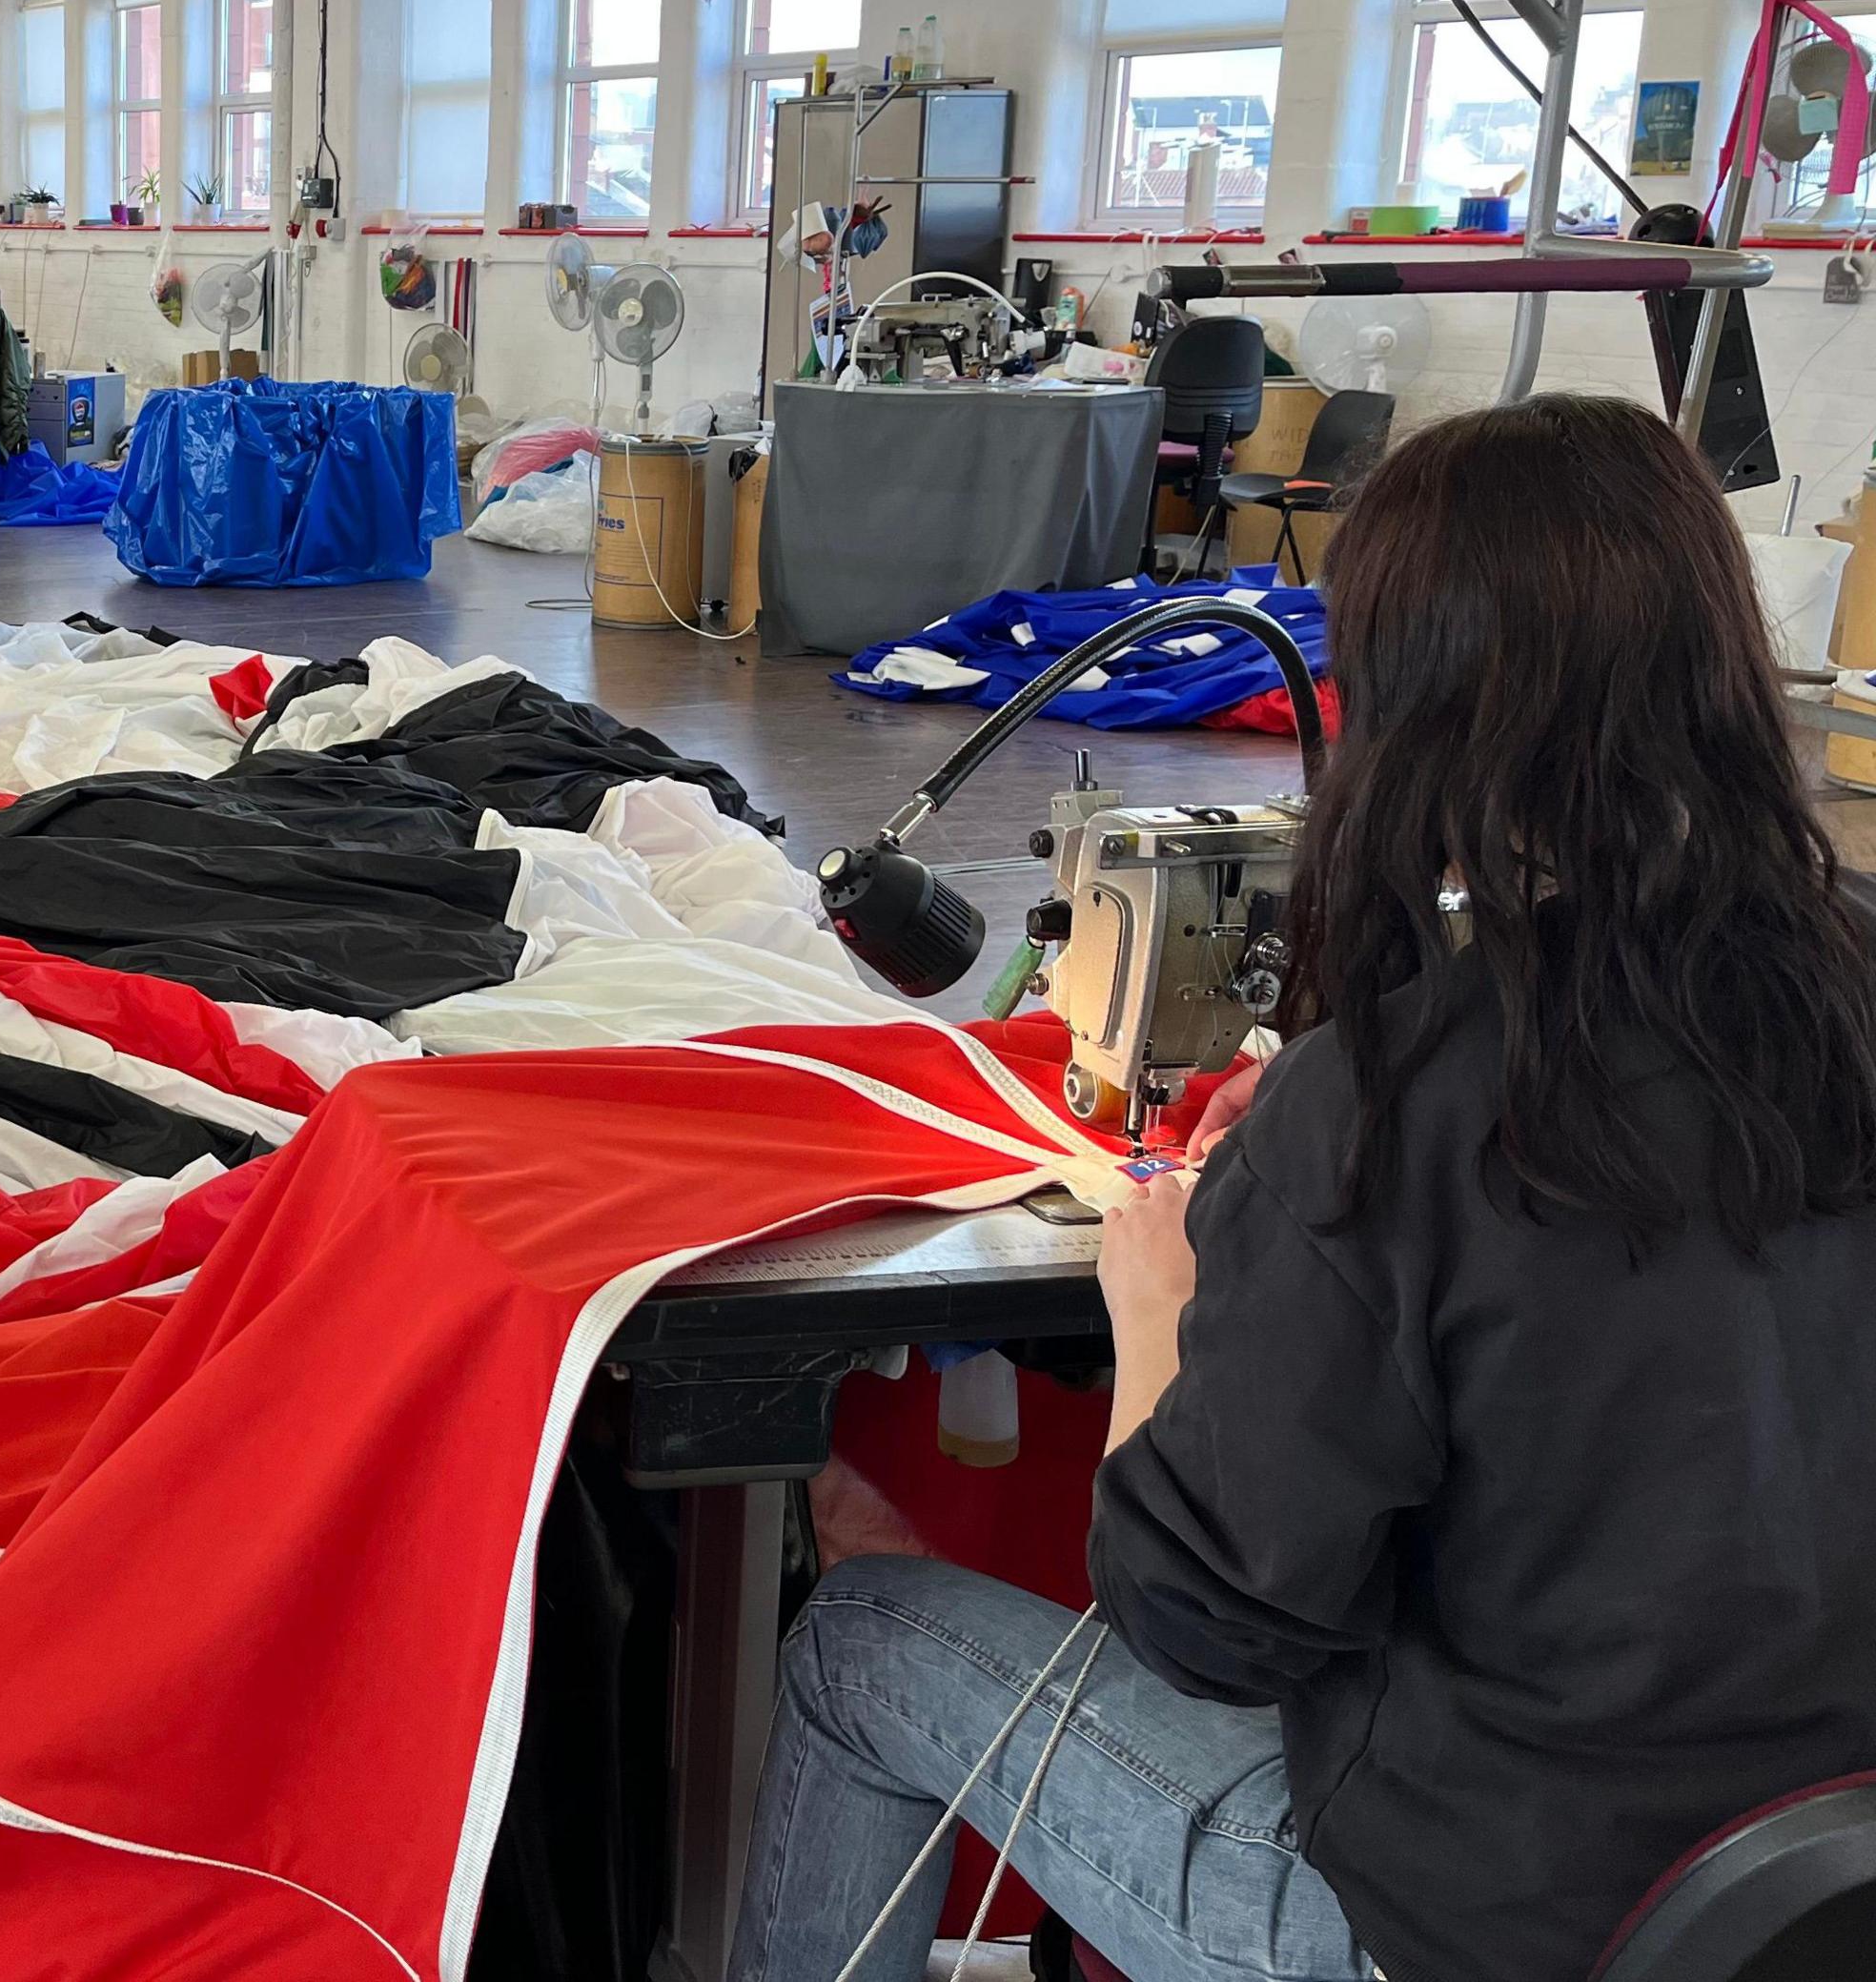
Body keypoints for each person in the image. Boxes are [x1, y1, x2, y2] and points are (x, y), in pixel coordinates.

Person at [727, 395, 1876, 1982]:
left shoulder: (1400, 1107)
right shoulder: (1838, 984)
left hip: (1485, 1930)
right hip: (1818, 1906)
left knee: (861, 1649)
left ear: (1410, 699)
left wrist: (1160, 1315)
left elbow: (1209, 1630)